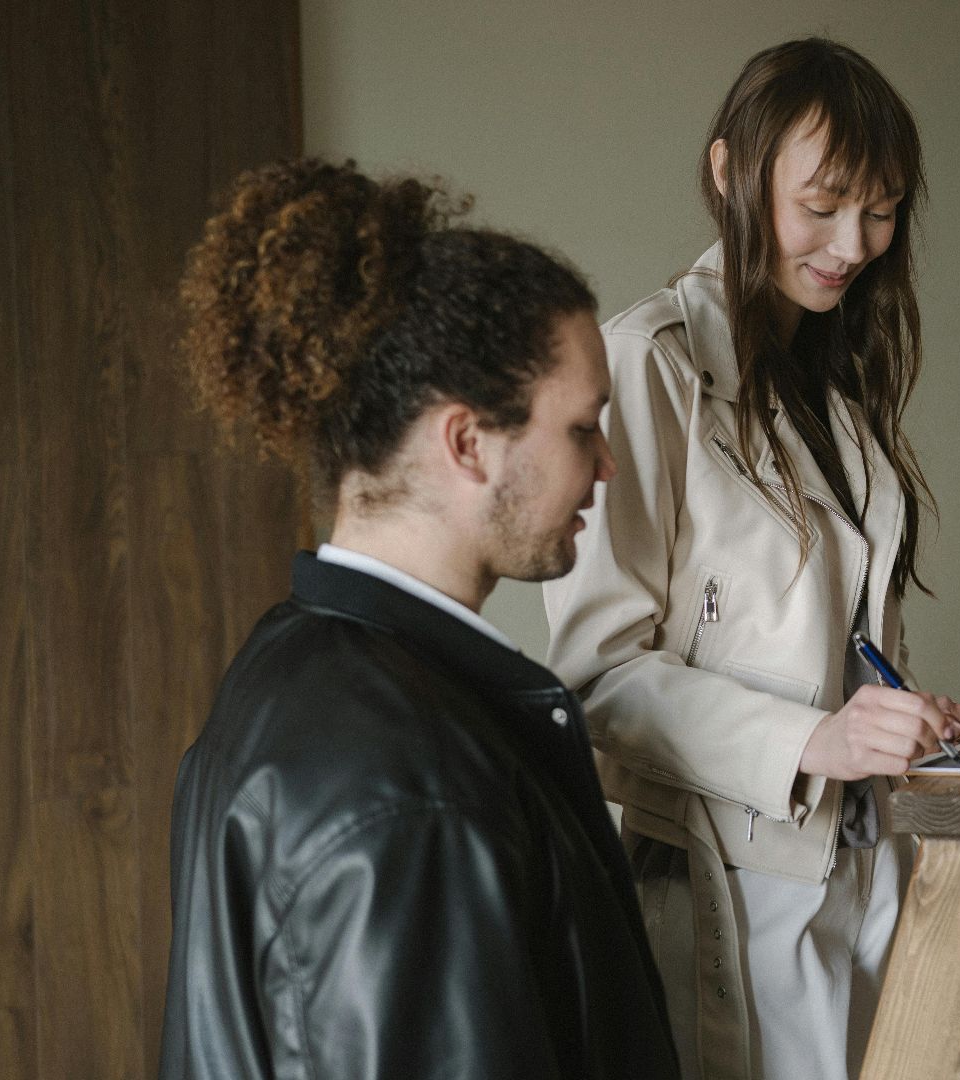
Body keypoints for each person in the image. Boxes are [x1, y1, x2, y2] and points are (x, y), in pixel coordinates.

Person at [160, 158, 679, 1079]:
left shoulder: (289, 667)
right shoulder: (414, 784)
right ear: (469, 442)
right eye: (581, 428)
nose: (606, 467)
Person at [544, 38, 960, 1080]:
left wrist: (893, 716)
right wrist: (811, 741)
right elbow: (597, 676)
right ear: (730, 172)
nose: (853, 242)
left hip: (861, 868)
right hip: (723, 885)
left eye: (880, 209)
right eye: (823, 204)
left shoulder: (833, 382)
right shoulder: (648, 365)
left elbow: (817, 640)